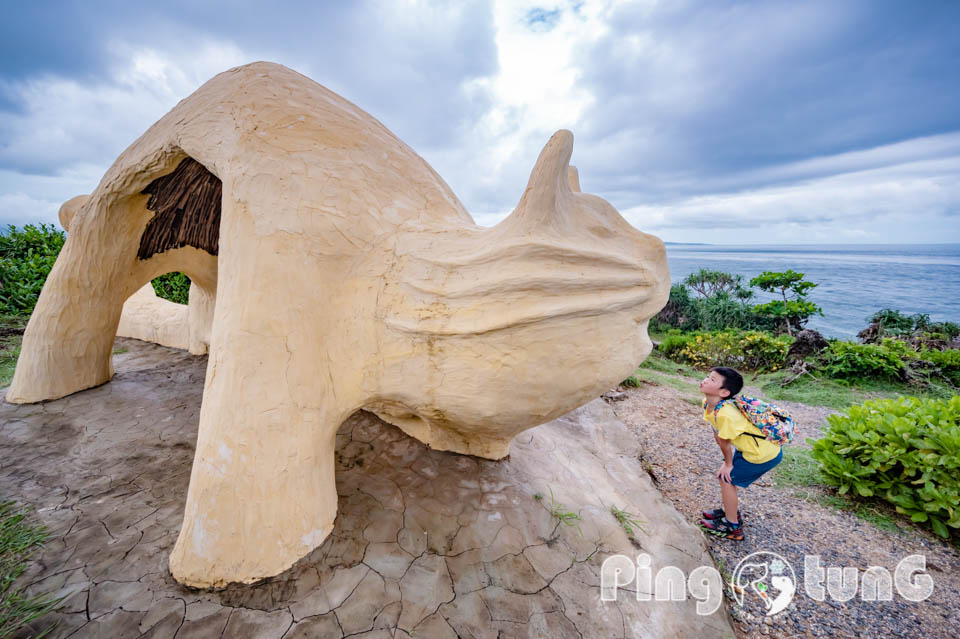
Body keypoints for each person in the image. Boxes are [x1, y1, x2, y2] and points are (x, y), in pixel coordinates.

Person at [697, 366, 783, 540]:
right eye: (708, 376)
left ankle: (733, 527)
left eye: (712, 380)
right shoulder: (709, 403)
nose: (706, 380)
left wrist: (728, 464)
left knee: (726, 479)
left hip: (762, 455)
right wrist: (726, 462)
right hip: (751, 449)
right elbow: (716, 431)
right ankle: (731, 511)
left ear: (724, 392)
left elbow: (725, 443)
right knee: (725, 477)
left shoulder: (726, 414)